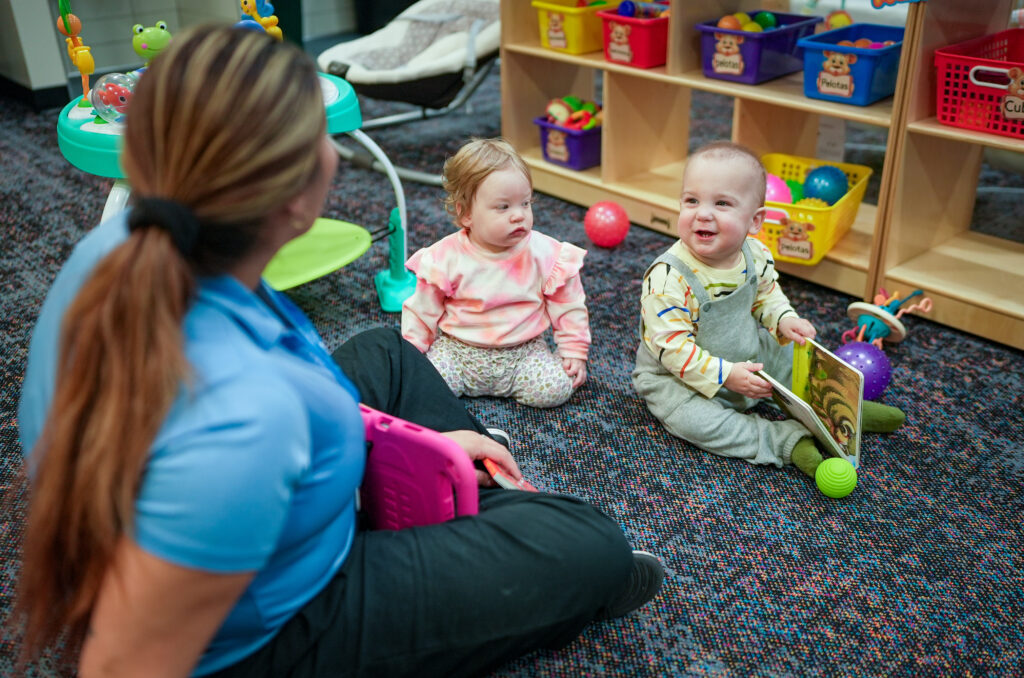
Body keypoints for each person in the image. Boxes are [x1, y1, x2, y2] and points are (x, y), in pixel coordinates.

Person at [13, 26, 664, 678]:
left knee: (386, 351)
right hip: (287, 622)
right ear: (297, 198)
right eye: (321, 133)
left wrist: (396, 437)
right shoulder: (247, 426)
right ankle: (497, 539)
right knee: (592, 546)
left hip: (257, 486)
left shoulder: (129, 237)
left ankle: (469, 512)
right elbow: (122, 664)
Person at [632, 141, 905, 482]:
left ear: (755, 221)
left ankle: (842, 413)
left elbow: (766, 295)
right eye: (692, 200)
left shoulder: (754, 252)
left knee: (793, 352)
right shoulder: (668, 278)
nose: (702, 213)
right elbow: (671, 348)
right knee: (691, 420)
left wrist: (784, 319)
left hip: (747, 351)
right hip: (677, 378)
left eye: (722, 203)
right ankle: (784, 441)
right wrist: (725, 375)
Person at [401, 138, 590, 409]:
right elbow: (422, 310)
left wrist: (574, 350)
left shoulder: (546, 253)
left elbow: (569, 306)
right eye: (503, 207)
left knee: (557, 389)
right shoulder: (445, 257)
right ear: (465, 214)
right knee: (424, 387)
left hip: (522, 353)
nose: (518, 215)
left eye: (525, 203)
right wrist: (413, 352)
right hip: (458, 351)